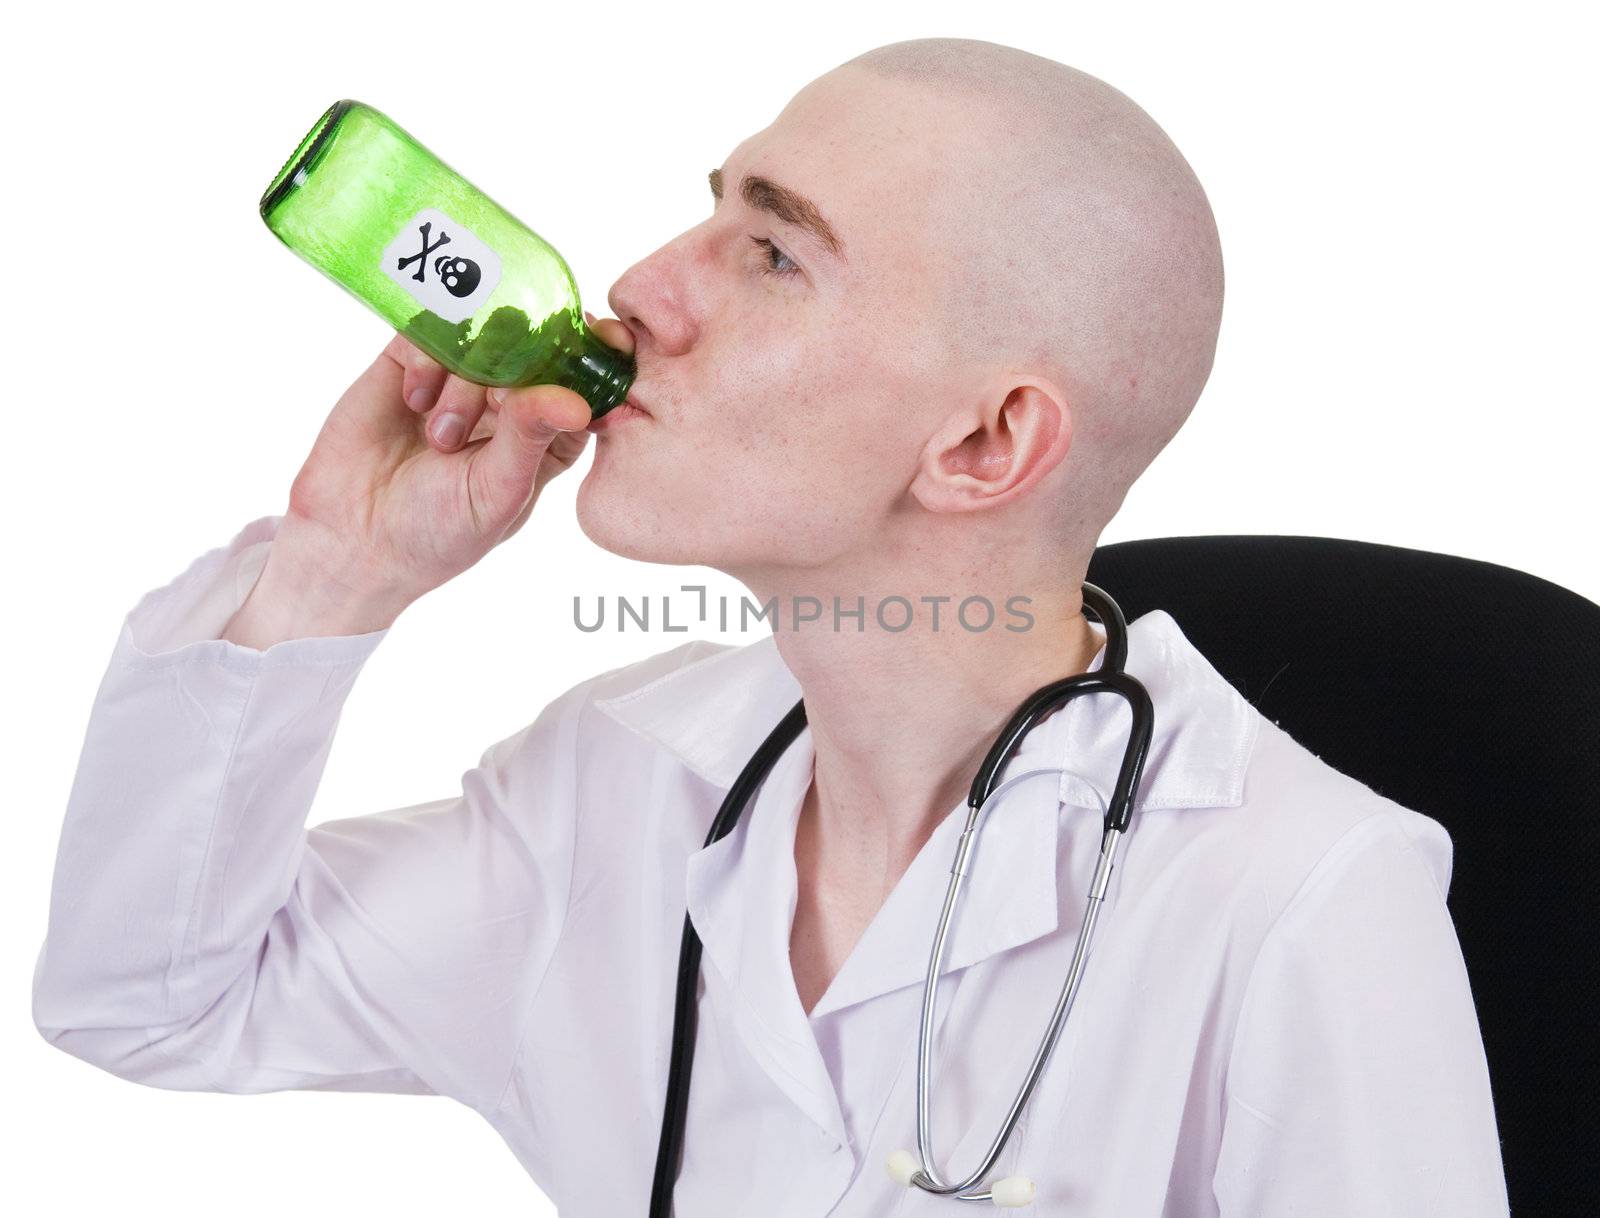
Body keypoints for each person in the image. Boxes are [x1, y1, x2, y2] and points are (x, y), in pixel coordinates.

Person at [32, 37, 1509, 1216]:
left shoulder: (1300, 903)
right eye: (716, 206)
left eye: (774, 254)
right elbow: (152, 1002)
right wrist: (332, 573)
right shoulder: (611, 787)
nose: (641, 287)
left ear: (986, 443)